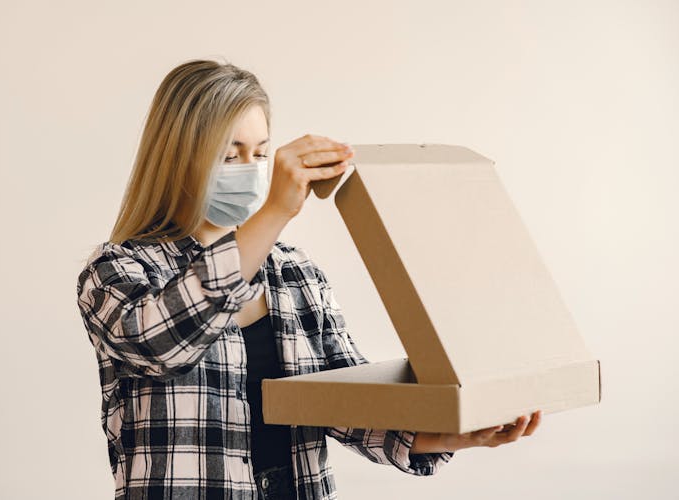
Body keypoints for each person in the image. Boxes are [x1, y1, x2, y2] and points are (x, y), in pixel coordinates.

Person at [75, 58, 542, 500]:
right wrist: (276, 211)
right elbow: (163, 345)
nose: (251, 168)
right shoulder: (118, 270)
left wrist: (452, 431)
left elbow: (347, 404)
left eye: (259, 152)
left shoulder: (296, 271)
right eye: (230, 153)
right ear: (176, 157)